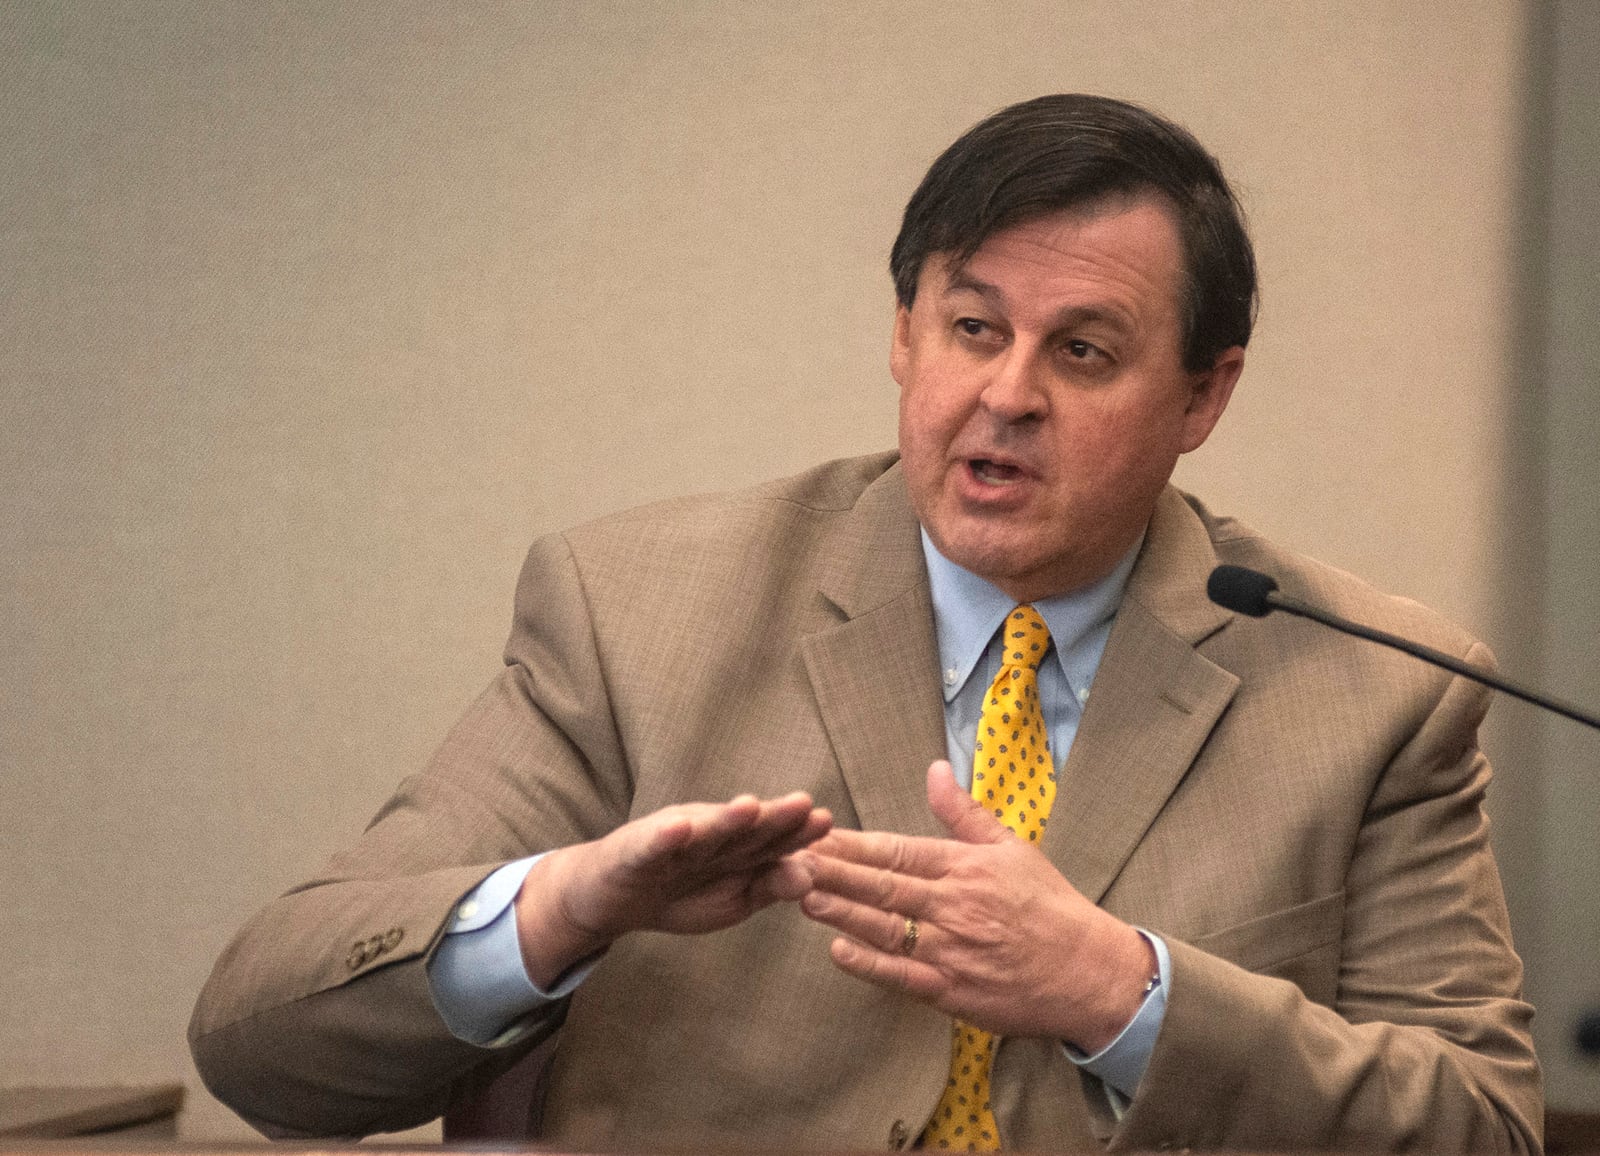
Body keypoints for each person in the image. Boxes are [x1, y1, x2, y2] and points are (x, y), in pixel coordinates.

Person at [189, 94, 1542, 1152]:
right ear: (905, 334)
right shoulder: (637, 613)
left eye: (1082, 351)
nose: (1005, 394)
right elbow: (261, 1039)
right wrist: (561, 908)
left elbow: (1481, 1126)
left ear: (1202, 396)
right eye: (971, 327)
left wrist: (1122, 993)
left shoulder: (1373, 693)